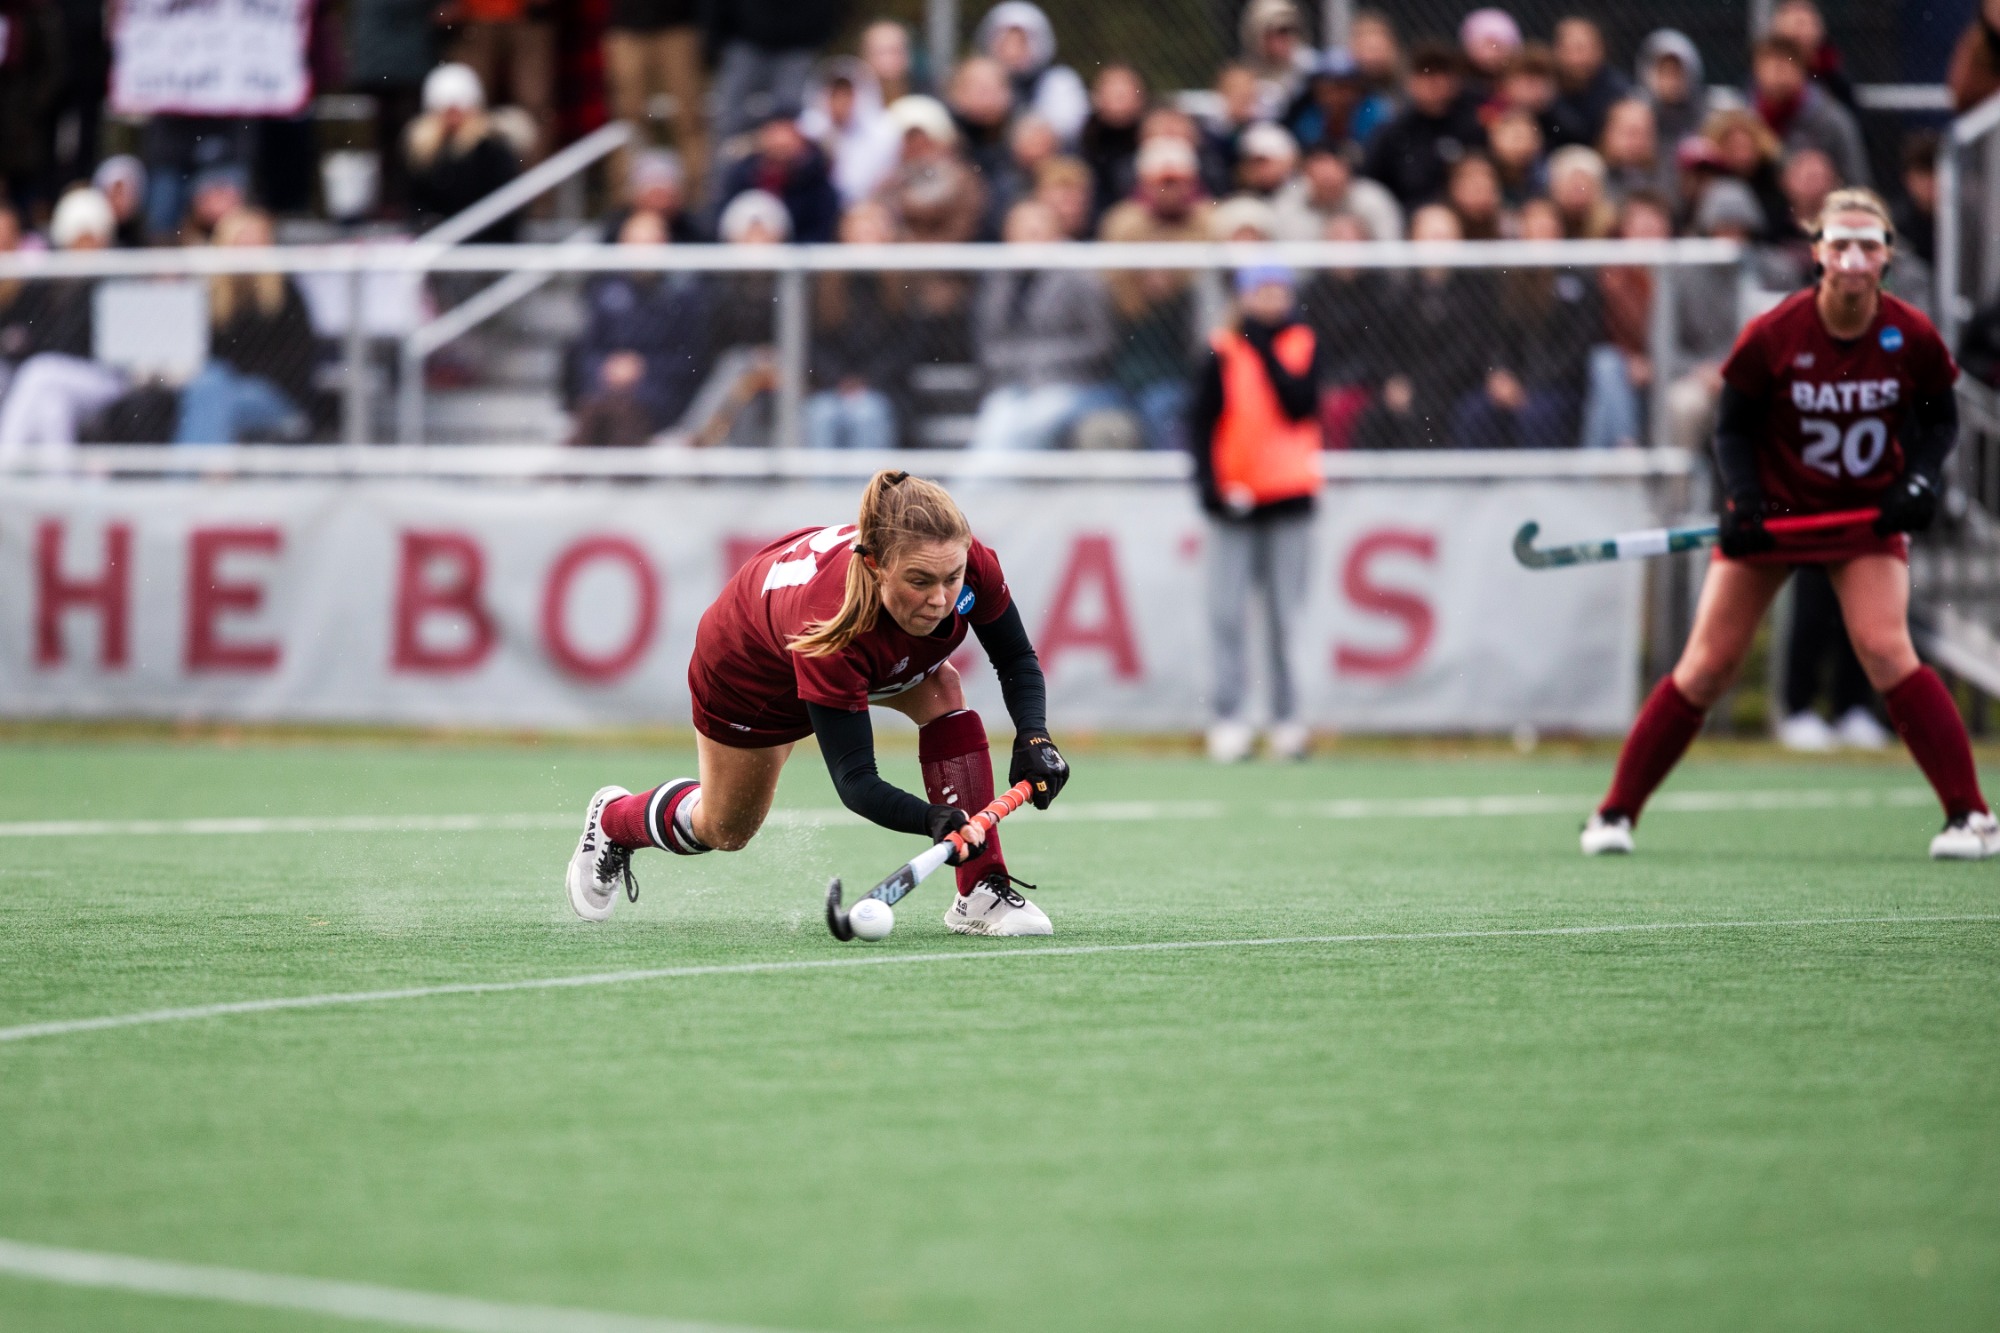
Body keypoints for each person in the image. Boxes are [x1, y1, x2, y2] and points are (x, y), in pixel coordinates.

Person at [1582, 189, 1996, 860]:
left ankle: (1971, 817)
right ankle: (1613, 812)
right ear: (1817, 254)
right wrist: (1744, 501)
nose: (1854, 258)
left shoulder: (1910, 334)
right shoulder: (1775, 333)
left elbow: (1940, 420)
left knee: (1887, 651)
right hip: (1777, 517)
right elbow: (1734, 425)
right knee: (1707, 666)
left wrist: (1918, 482)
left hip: (1864, 521)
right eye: (1840, 244)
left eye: (1868, 245)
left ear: (1887, 256)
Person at [564, 469, 1071, 937]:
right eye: (919, 581)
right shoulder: (827, 628)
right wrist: (933, 818)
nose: (940, 600)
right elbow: (856, 783)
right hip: (751, 677)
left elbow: (1015, 657)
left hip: (850, 645)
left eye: (951, 579)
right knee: (724, 828)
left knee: (942, 691)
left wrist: (1035, 735)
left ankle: (982, 891)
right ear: (875, 565)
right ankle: (615, 819)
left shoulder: (967, 561)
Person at [1190, 265, 1326, 763]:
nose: (1270, 300)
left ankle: (1287, 719)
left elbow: (1299, 404)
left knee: (1285, 617)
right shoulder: (1222, 348)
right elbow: (1201, 422)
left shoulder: (1302, 343)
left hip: (1289, 498)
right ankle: (1230, 718)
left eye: (1277, 291)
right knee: (1227, 614)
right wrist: (1207, 484)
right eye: (1260, 292)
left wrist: (1264, 346)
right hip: (1236, 500)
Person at [969, 199, 1114, 451]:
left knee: (1033, 421)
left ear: (1055, 234)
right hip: (1012, 384)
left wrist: (1040, 360)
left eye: (1037, 230)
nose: (1030, 238)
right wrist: (1021, 365)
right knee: (998, 417)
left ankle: (969, 488)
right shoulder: (997, 281)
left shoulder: (1080, 277)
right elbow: (988, 342)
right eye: (1023, 230)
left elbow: (1100, 341)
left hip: (1070, 384)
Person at [176, 208, 318, 445]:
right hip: (220, 386)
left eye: (255, 243)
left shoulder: (285, 294)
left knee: (213, 394)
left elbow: (295, 361)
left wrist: (236, 375)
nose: (248, 252)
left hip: (276, 393)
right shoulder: (212, 297)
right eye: (241, 243)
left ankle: (190, 478)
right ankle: (211, 468)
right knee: (210, 386)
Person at [569, 210, 710, 446]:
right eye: (636, 243)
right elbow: (586, 351)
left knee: (619, 414)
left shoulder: (683, 295)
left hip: (661, 394)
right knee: (597, 409)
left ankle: (594, 476)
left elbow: (689, 359)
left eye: (650, 243)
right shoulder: (605, 292)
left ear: (665, 245)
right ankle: (579, 474)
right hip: (608, 391)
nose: (643, 252)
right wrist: (607, 368)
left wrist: (642, 369)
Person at [0, 188, 121, 460]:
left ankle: (2, 471)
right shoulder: (54, 281)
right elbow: (41, 337)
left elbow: (101, 350)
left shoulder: (116, 275)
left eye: (91, 239)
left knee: (40, 372)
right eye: (79, 240)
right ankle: (60, 494)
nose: (85, 247)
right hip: (66, 381)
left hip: (106, 377)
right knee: (52, 407)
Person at [805, 201, 917, 450]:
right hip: (832, 387)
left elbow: (906, 347)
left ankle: (871, 488)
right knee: (822, 414)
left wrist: (869, 381)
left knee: (867, 413)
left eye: (873, 232)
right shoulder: (824, 286)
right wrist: (839, 380)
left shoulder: (904, 285)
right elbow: (814, 344)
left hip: (885, 389)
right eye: (860, 233)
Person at [405, 63, 522, 242]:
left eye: (459, 109)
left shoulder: (492, 148)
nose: (454, 117)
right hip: (440, 244)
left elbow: (507, 207)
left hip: (486, 242)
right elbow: (415, 202)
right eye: (446, 110)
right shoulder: (422, 151)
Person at [1362, 43, 1486, 208]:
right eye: (1426, 73)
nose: (1435, 82)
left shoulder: (1474, 124)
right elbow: (1371, 184)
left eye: (1442, 73)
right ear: (1410, 82)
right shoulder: (1393, 133)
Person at [603, 0, 707, 190]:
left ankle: (699, 197)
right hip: (627, 26)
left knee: (689, 117)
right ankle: (626, 200)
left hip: (678, 24)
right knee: (628, 119)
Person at [1750, 35, 1870, 191]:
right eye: (1770, 67)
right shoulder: (1746, 117)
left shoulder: (1832, 118)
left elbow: (1856, 180)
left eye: (1784, 66)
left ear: (1802, 71)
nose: (1777, 75)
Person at [976, 2, 1087, 144]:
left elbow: (1068, 127)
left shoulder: (1057, 82)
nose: (1012, 51)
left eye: (1020, 43)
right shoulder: (980, 78)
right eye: (1006, 42)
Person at [800, 56, 900, 208]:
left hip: (869, 208)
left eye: (847, 94)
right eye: (835, 94)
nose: (841, 102)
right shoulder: (808, 131)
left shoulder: (885, 133)